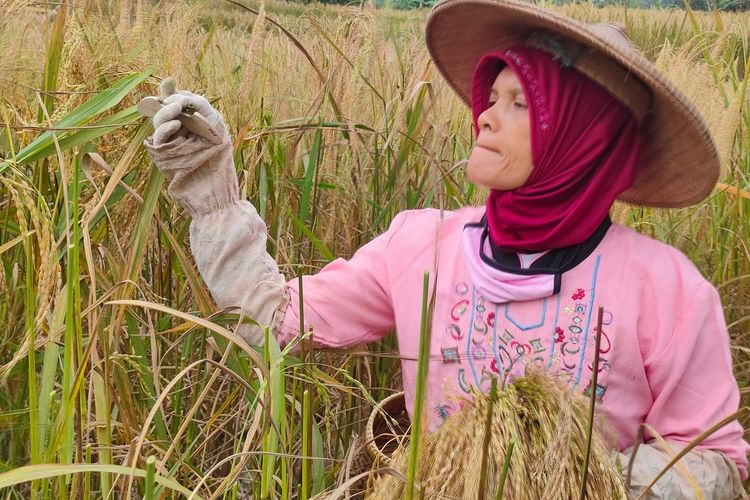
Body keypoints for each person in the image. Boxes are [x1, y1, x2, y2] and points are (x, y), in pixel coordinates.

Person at [143, 0, 748, 496]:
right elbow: (274, 322)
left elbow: (714, 460)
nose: (484, 117)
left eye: (519, 105)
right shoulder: (421, 246)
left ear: (581, 141)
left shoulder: (667, 288)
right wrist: (213, 195)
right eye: (492, 96)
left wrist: (573, 481)